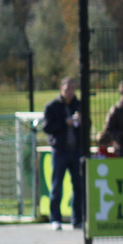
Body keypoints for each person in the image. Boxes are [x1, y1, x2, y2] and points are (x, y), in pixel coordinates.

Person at [41, 77, 84, 230]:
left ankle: (77, 219)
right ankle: (55, 219)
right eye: (67, 89)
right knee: (57, 185)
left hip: (76, 151)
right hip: (60, 151)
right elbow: (47, 127)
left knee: (78, 186)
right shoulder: (52, 106)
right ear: (61, 89)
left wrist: (81, 121)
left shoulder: (79, 105)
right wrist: (65, 123)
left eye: (73, 89)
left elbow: (88, 124)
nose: (70, 92)